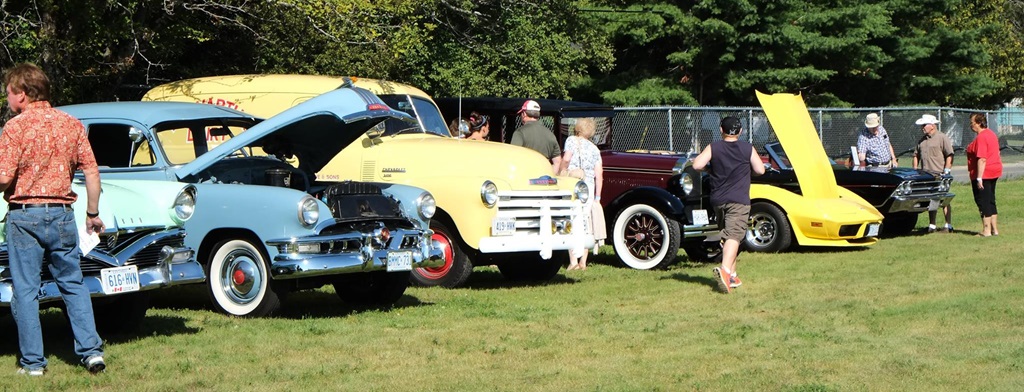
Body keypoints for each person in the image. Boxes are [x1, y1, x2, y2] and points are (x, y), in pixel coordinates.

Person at [1, 63, 107, 376]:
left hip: (25, 216)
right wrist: (92, 213)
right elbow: (91, 170)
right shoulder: (72, 124)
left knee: (26, 290)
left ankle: (33, 363)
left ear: (21, 94)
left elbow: (4, 179)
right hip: (62, 215)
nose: (7, 99)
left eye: (8, 93)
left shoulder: (14, 128)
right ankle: (91, 353)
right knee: (73, 284)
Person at [692, 116, 765, 293]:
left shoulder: (714, 147)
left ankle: (732, 275)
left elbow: (697, 165)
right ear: (740, 131)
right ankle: (725, 271)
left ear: (721, 130)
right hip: (739, 200)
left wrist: (709, 169)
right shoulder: (747, 148)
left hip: (718, 200)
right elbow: (760, 170)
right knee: (734, 235)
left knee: (730, 236)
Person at [562, 118, 604, 271]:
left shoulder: (571, 140)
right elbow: (599, 175)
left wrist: (561, 172)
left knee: (572, 220)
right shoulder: (595, 149)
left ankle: (573, 261)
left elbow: (566, 159)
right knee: (586, 223)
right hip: (589, 189)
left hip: (573, 185)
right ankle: (583, 262)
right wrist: (597, 197)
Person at [911, 114, 955, 233]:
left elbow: (949, 154)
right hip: (926, 176)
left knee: (944, 199)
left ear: (932, 125)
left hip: (940, 174)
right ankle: (932, 225)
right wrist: (915, 169)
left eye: (924, 125)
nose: (922, 128)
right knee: (932, 200)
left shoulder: (942, 138)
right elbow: (916, 155)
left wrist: (947, 170)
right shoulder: (922, 141)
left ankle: (948, 225)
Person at [966, 113, 1002, 237]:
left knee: (983, 201)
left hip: (985, 173)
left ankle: (986, 230)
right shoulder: (991, 134)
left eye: (972, 123)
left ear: (979, 123)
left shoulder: (982, 137)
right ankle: (994, 229)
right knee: (991, 199)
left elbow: (982, 158)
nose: (971, 125)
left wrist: (979, 178)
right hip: (994, 170)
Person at [511, 100, 561, 173]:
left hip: (526, 176)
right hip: (545, 178)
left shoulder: (520, 132)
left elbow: (513, 157)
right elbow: (557, 161)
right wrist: (550, 176)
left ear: (524, 113)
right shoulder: (550, 134)